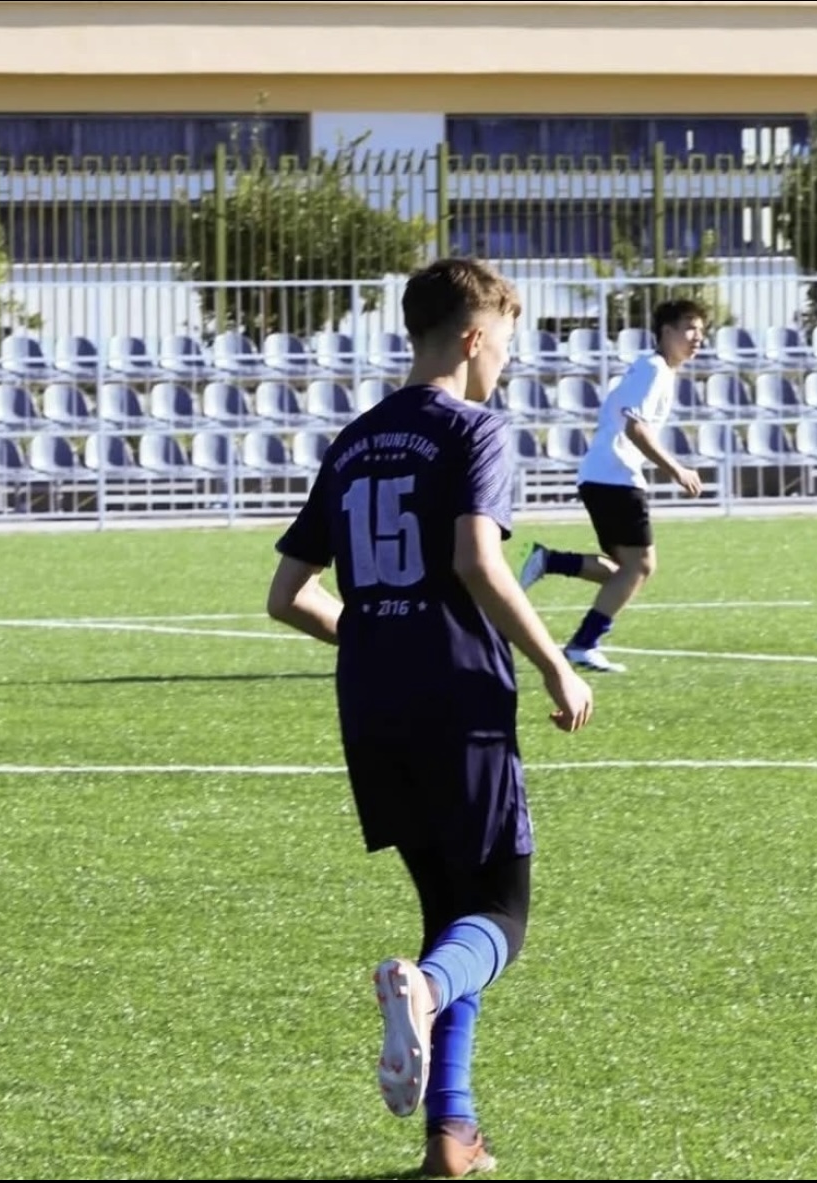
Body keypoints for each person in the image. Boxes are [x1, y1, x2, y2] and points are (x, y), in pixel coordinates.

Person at [266, 256, 594, 1179]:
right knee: (498, 916)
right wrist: (556, 664)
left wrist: (376, 636)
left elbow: (288, 594)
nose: (506, 364)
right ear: (474, 337)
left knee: (452, 914)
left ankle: (452, 1134)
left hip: (371, 702)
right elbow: (477, 560)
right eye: (507, 345)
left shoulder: (355, 439)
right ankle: (424, 994)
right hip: (457, 697)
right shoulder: (474, 429)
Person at [519, 297, 707, 674]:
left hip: (602, 475)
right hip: (616, 477)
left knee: (623, 570)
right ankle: (583, 644)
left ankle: (549, 561)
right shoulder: (654, 369)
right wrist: (676, 469)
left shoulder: (655, 369)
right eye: (689, 328)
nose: (697, 338)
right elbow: (635, 427)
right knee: (641, 566)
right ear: (665, 331)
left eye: (701, 331)